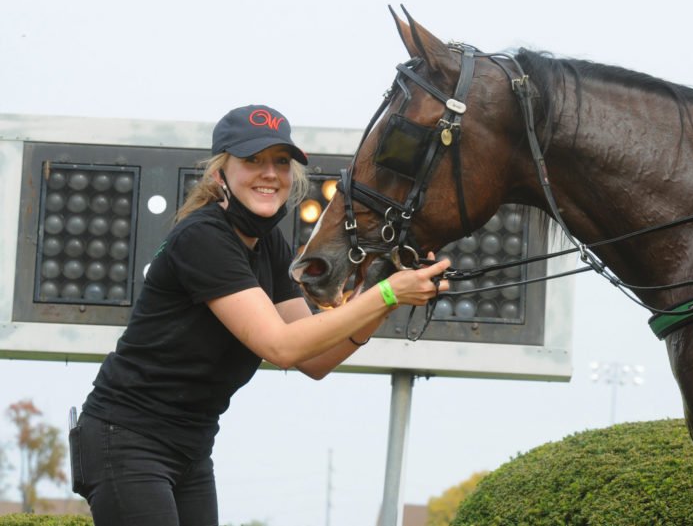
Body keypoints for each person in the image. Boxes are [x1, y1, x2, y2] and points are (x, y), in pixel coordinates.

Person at [69, 104, 450, 526]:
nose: (269, 173)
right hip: (125, 440)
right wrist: (383, 294)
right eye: (253, 160)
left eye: (281, 162)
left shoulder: (267, 244)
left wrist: (388, 293)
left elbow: (314, 358)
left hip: (191, 448)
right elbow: (281, 347)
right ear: (220, 174)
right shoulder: (203, 237)